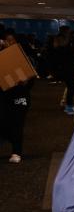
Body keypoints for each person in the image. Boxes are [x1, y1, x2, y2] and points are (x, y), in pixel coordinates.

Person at [0, 33, 34, 163]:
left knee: (17, 124)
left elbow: (30, 78)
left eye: (11, 41)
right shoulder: (2, 57)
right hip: (4, 96)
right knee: (3, 122)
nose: (9, 43)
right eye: (6, 40)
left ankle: (16, 152)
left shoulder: (24, 57)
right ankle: (9, 138)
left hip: (20, 96)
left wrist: (25, 80)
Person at [53, 26, 74, 115]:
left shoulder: (60, 40)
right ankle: (69, 107)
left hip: (66, 66)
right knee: (72, 86)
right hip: (66, 66)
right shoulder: (62, 40)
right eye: (68, 31)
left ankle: (69, 106)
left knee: (71, 86)